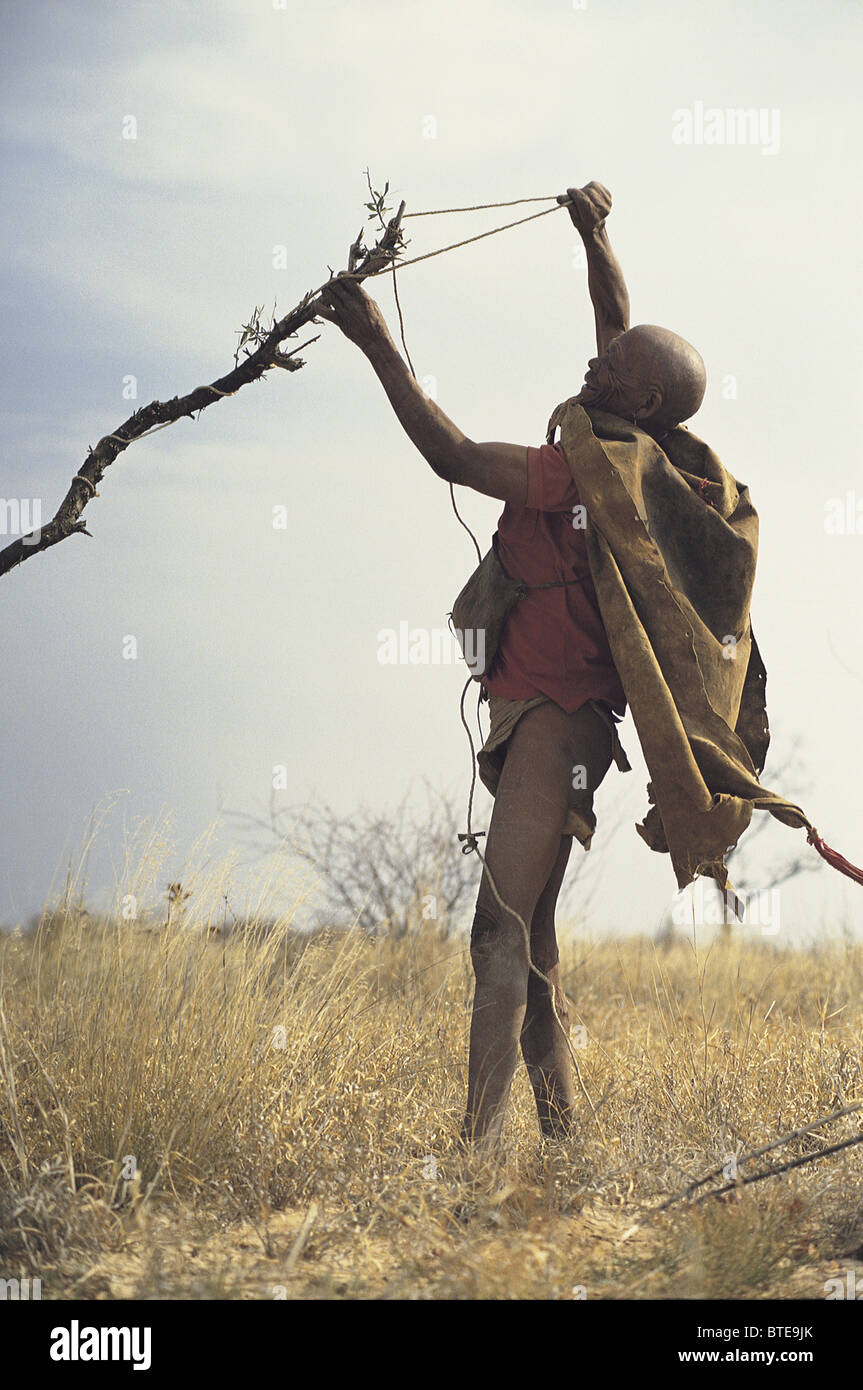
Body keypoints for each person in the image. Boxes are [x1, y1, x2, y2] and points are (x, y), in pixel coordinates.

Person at [317, 182, 708, 1148]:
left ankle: (474, 1161)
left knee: (496, 929)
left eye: (609, 366)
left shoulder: (579, 470)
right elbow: (616, 323)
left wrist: (372, 341)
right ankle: (564, 1146)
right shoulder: (633, 445)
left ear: (641, 399)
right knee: (532, 939)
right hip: (552, 717)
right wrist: (598, 233)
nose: (592, 357)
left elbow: (449, 454)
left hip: (555, 715)